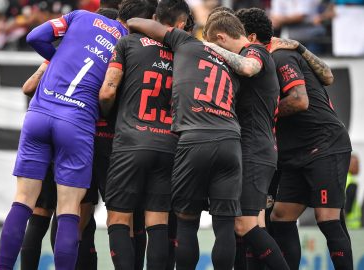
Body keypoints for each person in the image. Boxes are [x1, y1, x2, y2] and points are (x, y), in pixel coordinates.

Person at [0, 0, 157, 268]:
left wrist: (54, 56)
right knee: (69, 210)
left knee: (22, 201)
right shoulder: (127, 43)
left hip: (40, 113)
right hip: (77, 122)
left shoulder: (80, 16)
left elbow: (34, 36)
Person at [127, 11, 263, 270]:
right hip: (230, 140)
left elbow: (136, 22)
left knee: (187, 222)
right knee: (224, 226)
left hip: (194, 138)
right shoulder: (232, 64)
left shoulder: (186, 42)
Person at [99, 1, 190, 269]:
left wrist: (107, 115)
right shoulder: (183, 51)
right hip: (169, 145)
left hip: (131, 142)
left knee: (118, 219)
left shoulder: (128, 44)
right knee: (158, 222)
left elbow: (107, 92)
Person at [203, 9, 289, 270]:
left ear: (220, 37)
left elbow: (248, 68)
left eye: (215, 45)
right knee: (251, 226)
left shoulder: (254, 51)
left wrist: (204, 46)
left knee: (245, 225)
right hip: (254, 148)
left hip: (255, 150)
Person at [268, 28, 353, 270]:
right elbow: (326, 75)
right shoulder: (274, 56)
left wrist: (299, 47)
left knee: (327, 219)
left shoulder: (281, 56)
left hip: (323, 146)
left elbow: (300, 99)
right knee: (281, 217)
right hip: (297, 153)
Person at [345, 153, 361, 229]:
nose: (359, 167)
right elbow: (348, 206)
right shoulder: (352, 182)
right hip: (351, 225)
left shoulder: (343, 178)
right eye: (356, 164)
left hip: (342, 224)